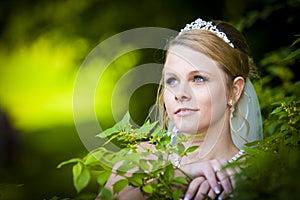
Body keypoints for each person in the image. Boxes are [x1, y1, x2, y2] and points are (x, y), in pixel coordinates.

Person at [103, 18, 263, 200]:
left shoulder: (258, 174)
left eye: (198, 78)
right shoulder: (141, 161)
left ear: (234, 91)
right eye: (172, 80)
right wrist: (173, 178)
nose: (180, 93)